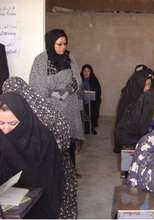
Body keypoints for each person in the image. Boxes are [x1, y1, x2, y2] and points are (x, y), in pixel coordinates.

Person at [2, 77, 78, 219]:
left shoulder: (41, 132)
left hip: (48, 178)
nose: (6, 129)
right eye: (1, 123)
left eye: (11, 123)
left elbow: (48, 178)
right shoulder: (6, 125)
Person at [29, 29, 84, 170]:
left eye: (65, 44)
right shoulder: (40, 60)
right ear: (50, 43)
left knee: (69, 141)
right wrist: (56, 92)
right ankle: (53, 173)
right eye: (59, 44)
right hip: (50, 109)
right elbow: (36, 85)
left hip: (69, 106)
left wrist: (66, 91)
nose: (63, 47)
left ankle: (70, 171)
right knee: (52, 142)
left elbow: (77, 80)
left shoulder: (70, 58)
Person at [114, 65, 154, 153]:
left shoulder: (145, 96)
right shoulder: (129, 100)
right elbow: (122, 131)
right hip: (131, 140)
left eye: (149, 85)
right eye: (146, 85)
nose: (148, 88)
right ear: (138, 84)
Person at [80, 64, 102, 135]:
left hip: (92, 102)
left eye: (88, 71)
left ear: (91, 72)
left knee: (91, 111)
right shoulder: (79, 79)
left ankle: (90, 127)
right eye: (84, 71)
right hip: (81, 101)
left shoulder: (94, 80)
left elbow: (98, 91)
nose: (86, 73)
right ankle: (83, 128)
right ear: (82, 72)